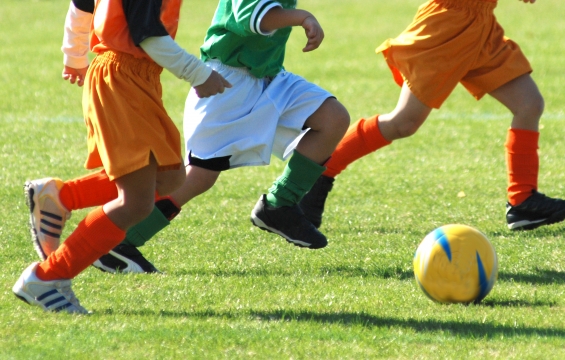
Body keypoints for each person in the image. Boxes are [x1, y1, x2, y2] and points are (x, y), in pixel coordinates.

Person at [23, 0, 350, 275]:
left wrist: (74, 53)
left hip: (266, 75)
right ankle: (103, 244)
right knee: (188, 178)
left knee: (333, 118)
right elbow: (247, 17)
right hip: (222, 79)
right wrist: (302, 18)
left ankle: (279, 205)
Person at [13, 0, 230, 313]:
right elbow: (148, 35)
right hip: (121, 78)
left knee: (168, 178)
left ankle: (61, 196)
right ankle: (47, 277)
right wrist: (199, 73)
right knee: (136, 202)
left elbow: (83, 3)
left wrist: (74, 54)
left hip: (135, 78)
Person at [298, 0, 565, 231]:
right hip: (447, 23)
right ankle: (317, 174)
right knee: (404, 122)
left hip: (480, 24)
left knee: (529, 105)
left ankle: (523, 202)